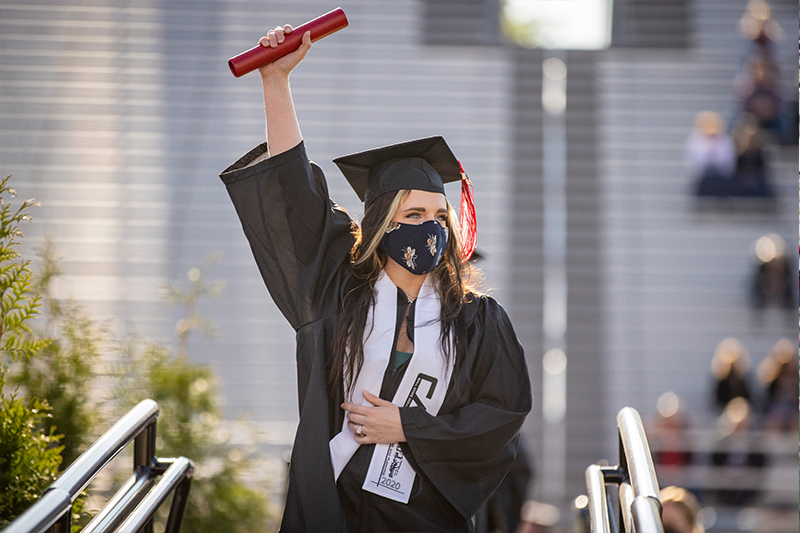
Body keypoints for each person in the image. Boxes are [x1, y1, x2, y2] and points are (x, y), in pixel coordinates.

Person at [219, 25, 532, 532]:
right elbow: (300, 197)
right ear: (382, 226)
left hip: (423, 514)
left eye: (437, 215)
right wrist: (275, 82)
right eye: (411, 216)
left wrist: (407, 426)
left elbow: (502, 414)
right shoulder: (339, 290)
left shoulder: (477, 319)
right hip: (334, 505)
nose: (428, 228)